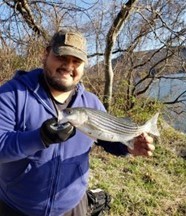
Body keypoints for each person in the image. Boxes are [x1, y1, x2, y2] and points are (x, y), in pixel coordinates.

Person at [0, 28, 155, 216]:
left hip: (73, 207)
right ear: (46, 54)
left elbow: (106, 139)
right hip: (17, 207)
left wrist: (129, 147)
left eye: (76, 61)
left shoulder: (92, 103)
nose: (69, 66)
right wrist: (39, 138)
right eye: (62, 57)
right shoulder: (12, 94)